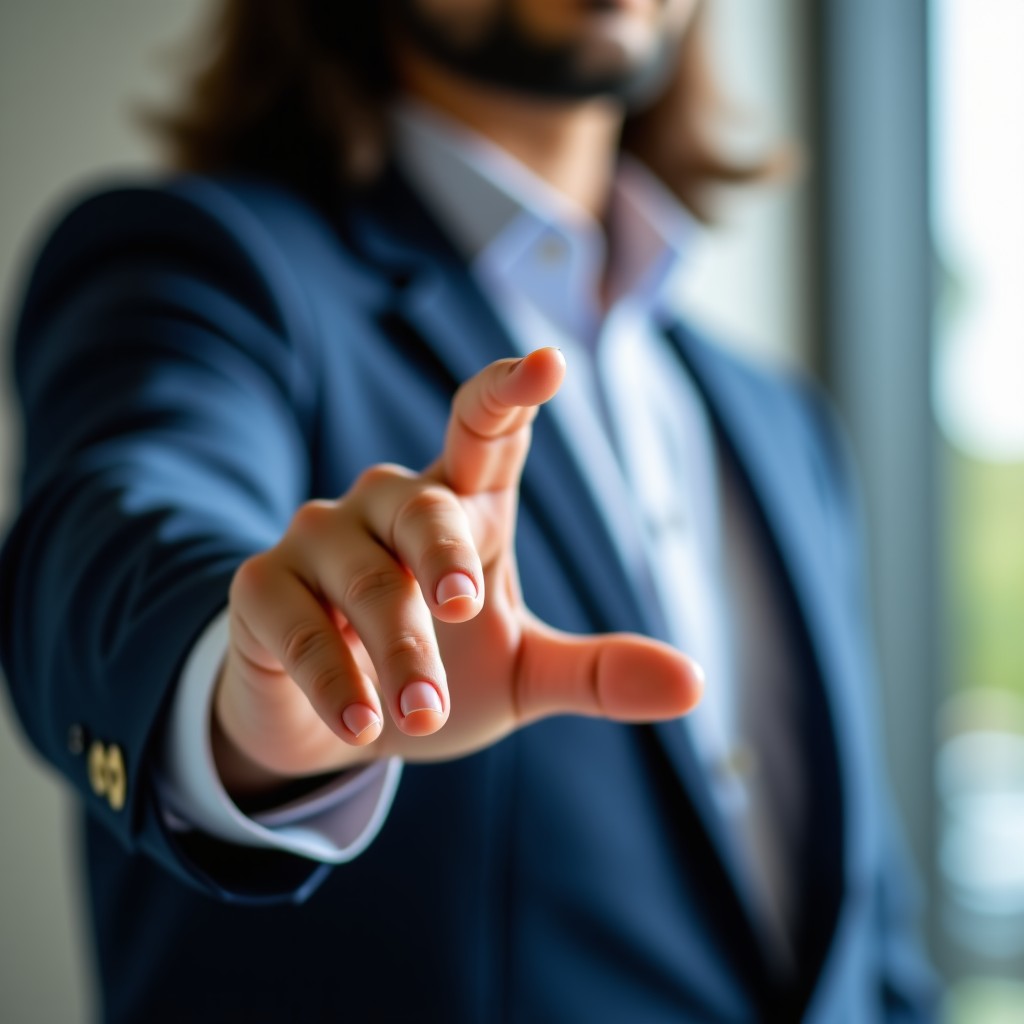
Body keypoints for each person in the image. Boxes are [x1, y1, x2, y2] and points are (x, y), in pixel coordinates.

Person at [0, 1, 939, 1020]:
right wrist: (242, 690)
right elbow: (117, 526)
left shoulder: (776, 418)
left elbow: (866, 930)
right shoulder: (207, 266)